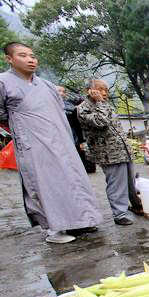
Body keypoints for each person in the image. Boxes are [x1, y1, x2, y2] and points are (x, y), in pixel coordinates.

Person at [0, 42, 102, 243]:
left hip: (60, 139)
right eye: (23, 55)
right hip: (34, 143)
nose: (31, 59)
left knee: (73, 179)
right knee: (48, 183)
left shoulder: (46, 84)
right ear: (9, 59)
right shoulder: (3, 82)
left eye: (33, 56)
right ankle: (55, 230)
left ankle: (81, 220)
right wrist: (23, 129)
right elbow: (2, 115)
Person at [77, 78, 143, 225]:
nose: (104, 93)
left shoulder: (106, 105)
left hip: (122, 150)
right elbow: (101, 122)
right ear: (90, 91)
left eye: (106, 90)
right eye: (100, 89)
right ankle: (120, 214)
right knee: (116, 184)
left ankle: (136, 204)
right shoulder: (83, 108)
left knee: (131, 182)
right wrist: (99, 102)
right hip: (108, 154)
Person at [57, 85, 96, 174]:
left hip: (75, 133)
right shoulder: (51, 105)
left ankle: (85, 167)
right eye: (59, 91)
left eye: (63, 91)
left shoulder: (71, 103)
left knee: (79, 150)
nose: (62, 93)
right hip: (61, 134)